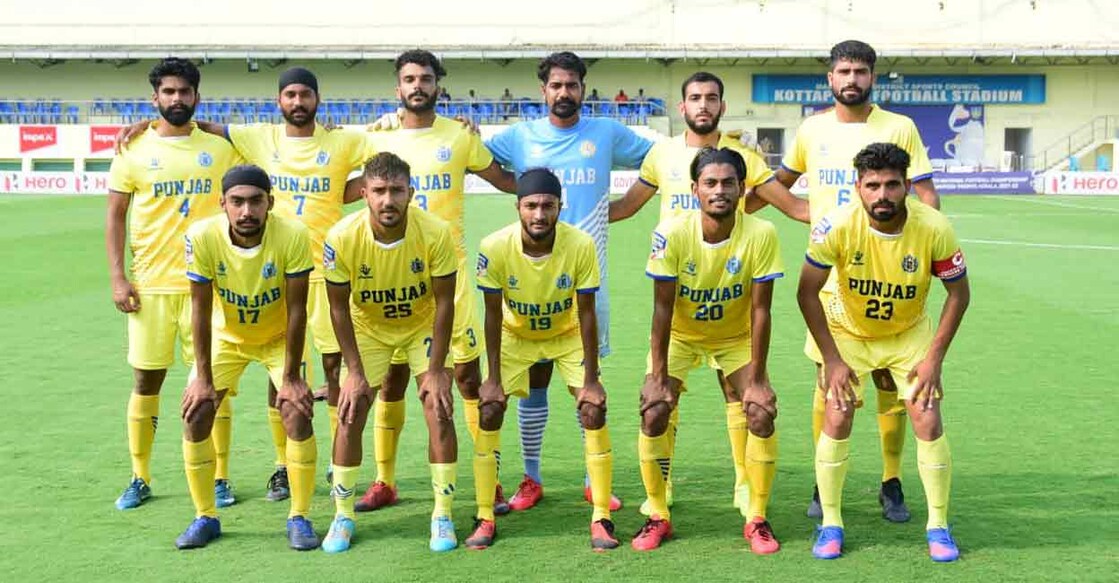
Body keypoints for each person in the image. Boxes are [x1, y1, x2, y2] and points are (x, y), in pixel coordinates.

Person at [117, 66, 377, 502]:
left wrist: (340, 191)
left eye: (305, 95)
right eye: (290, 95)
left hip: (324, 275)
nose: (297, 102)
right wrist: (148, 126)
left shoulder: (340, 140)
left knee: (326, 372)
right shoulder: (255, 138)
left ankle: (332, 465)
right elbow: (189, 123)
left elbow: (386, 156)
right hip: (245, 275)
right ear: (279, 101)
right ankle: (195, 477)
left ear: (317, 99)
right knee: (217, 379)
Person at [610, 71, 806, 518]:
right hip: (682, 289)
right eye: (695, 98)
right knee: (661, 401)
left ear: (721, 105)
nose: (703, 105)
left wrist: (853, 214)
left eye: (711, 98)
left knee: (740, 397)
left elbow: (788, 205)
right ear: (683, 107)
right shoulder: (662, 154)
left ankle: (744, 483)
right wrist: (572, 210)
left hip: (729, 293)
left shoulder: (743, 159)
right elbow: (626, 207)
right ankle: (662, 486)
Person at [768, 39, 941, 521]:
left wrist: (916, 241)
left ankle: (891, 480)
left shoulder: (899, 127)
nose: (851, 79)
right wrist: (808, 213)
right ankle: (825, 485)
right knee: (830, 382)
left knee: (891, 379)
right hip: (831, 275)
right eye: (843, 71)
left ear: (872, 77)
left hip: (887, 273)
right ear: (830, 78)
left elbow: (925, 193)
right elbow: (780, 184)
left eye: (860, 71)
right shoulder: (812, 129)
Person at [346, 49, 515, 514]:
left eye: (425, 78)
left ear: (438, 85)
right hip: (388, 278)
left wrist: (559, 187)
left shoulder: (459, 136)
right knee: (392, 382)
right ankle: (384, 480)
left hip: (448, 280)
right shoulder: (375, 139)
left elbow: (503, 178)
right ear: (396, 87)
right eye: (409, 79)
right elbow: (341, 189)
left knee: (465, 377)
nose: (417, 85)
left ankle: (490, 478)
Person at [485, 51, 652, 512]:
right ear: (544, 91)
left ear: (583, 89)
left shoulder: (605, 133)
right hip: (530, 283)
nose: (564, 92)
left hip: (586, 284)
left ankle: (589, 476)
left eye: (572, 85)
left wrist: (623, 207)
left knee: (588, 388)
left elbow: (657, 160)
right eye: (556, 85)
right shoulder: (520, 136)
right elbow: (480, 160)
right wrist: (522, 191)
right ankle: (532, 477)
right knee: (534, 382)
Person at [797, 143, 969, 562]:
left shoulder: (934, 227)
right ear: (858, 187)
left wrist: (933, 360)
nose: (882, 195)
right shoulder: (835, 225)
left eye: (892, 185)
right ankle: (832, 522)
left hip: (907, 334)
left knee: (926, 415)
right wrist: (833, 360)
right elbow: (806, 293)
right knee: (838, 412)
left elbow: (959, 295)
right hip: (848, 331)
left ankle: (938, 526)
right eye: (872, 185)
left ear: (907, 186)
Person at [106, 57, 242, 511]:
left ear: (196, 97)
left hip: (210, 287)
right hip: (151, 288)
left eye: (185, 92)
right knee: (147, 380)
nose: (177, 99)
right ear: (155, 98)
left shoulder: (222, 148)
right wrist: (118, 276)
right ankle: (140, 476)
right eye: (168, 92)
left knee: (214, 383)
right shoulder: (133, 149)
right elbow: (115, 217)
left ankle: (220, 477)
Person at [633, 147, 783, 553]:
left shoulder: (761, 233)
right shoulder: (672, 233)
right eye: (711, 183)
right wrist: (658, 376)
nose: (720, 191)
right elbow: (662, 309)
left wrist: (759, 378)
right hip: (681, 335)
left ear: (742, 188)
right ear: (695, 189)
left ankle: (757, 517)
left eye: (728, 183)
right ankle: (657, 514)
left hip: (735, 337)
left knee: (761, 412)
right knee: (654, 411)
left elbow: (761, 309)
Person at [464, 168, 617, 551]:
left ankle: (601, 516)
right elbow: (492, 314)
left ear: (560, 207)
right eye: (531, 206)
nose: (539, 214)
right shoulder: (494, 246)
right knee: (489, 409)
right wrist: (493, 378)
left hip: (565, 335)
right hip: (516, 336)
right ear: (517, 207)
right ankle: (485, 514)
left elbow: (586, 312)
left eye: (547, 206)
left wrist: (592, 378)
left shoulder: (580, 244)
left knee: (593, 408)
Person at [320, 152, 459, 554]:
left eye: (396, 190)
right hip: (368, 328)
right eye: (379, 191)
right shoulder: (342, 237)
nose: (388, 200)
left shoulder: (434, 233)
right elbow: (337, 307)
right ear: (363, 193)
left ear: (411, 193)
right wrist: (354, 371)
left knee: (438, 405)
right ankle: (342, 513)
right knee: (351, 407)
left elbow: (445, 302)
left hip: (421, 324)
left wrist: (436, 370)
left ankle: (442, 513)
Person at [176, 165, 319, 550]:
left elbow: (297, 310)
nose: (246, 211)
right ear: (222, 203)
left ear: (270, 203)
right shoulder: (202, 236)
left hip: (278, 337)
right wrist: (203, 378)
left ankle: (300, 516)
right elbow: (200, 310)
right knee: (197, 411)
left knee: (295, 410)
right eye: (237, 202)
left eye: (256, 201)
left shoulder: (292, 235)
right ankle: (205, 515)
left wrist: (290, 377)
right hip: (228, 337)